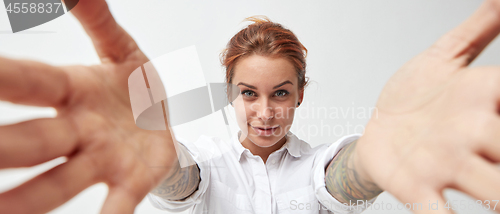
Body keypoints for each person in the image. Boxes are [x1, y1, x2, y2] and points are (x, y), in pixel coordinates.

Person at [0, 0, 499, 213]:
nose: (265, 112)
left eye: (281, 93)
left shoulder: (317, 166)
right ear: (230, 95)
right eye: (249, 94)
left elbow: (344, 177)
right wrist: (157, 156)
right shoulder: (205, 164)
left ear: (300, 94)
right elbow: (182, 182)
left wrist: (373, 162)